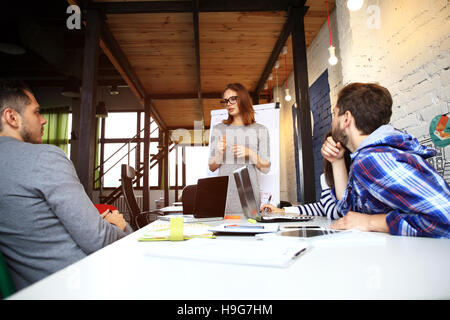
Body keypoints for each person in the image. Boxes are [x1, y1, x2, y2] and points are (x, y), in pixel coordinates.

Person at [0, 80, 133, 291]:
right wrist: (123, 228)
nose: (44, 120)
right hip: (87, 285)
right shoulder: (44, 157)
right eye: (36, 112)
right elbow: (97, 239)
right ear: (12, 117)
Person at [321, 82, 450, 238]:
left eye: (334, 114)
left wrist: (370, 222)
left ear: (346, 118)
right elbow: (350, 215)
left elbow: (445, 217)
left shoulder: (372, 159)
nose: (333, 121)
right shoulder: (369, 155)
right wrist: (337, 161)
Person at [209, 83, 271, 214]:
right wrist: (219, 153)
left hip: (249, 196)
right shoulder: (218, 129)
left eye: (233, 99)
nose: (228, 104)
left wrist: (250, 153)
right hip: (224, 194)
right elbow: (212, 166)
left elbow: (266, 168)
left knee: (250, 230)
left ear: (243, 99)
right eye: (226, 101)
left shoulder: (260, 130)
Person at [260, 131, 351, 220]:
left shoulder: (352, 178)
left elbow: (335, 213)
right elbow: (322, 207)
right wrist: (282, 211)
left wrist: (326, 177)